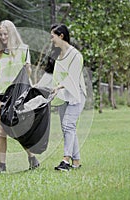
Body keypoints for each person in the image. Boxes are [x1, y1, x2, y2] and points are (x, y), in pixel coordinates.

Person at [0, 20, 40, 173]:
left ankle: (32, 157)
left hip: (19, 95)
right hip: (2, 96)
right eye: (0, 35)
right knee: (2, 131)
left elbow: (27, 71)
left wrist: (30, 89)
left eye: (5, 34)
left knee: (18, 129)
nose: (2, 37)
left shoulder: (23, 49)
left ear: (12, 33)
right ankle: (2, 165)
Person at [50, 24, 87, 171]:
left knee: (68, 125)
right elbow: (55, 77)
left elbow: (73, 77)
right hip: (63, 96)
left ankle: (65, 160)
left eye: (52, 36)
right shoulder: (59, 56)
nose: (51, 40)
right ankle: (76, 162)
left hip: (76, 95)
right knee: (68, 128)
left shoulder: (76, 56)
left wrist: (58, 87)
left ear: (61, 36)